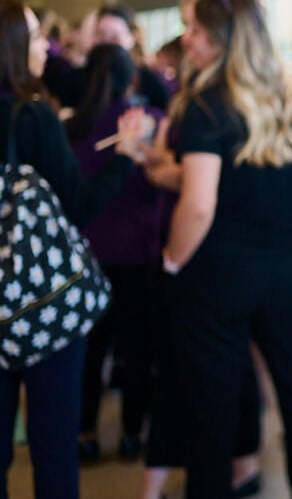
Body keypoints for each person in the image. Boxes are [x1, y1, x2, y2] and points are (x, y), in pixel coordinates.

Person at [160, 0, 292, 498]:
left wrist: (171, 261)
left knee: (212, 407)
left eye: (195, 31)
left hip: (219, 274)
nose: (187, 40)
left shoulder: (207, 105)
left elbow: (198, 204)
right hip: (291, 268)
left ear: (222, 40)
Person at [0, 0, 148, 498]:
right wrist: (126, 157)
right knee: (53, 445)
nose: (47, 45)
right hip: (43, 306)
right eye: (35, 36)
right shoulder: (32, 115)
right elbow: (79, 206)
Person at [65, 44, 165, 463]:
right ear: (133, 80)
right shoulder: (152, 122)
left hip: (86, 254)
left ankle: (85, 433)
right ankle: (130, 434)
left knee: (89, 351)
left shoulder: (71, 127)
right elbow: (160, 183)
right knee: (136, 349)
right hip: (139, 252)